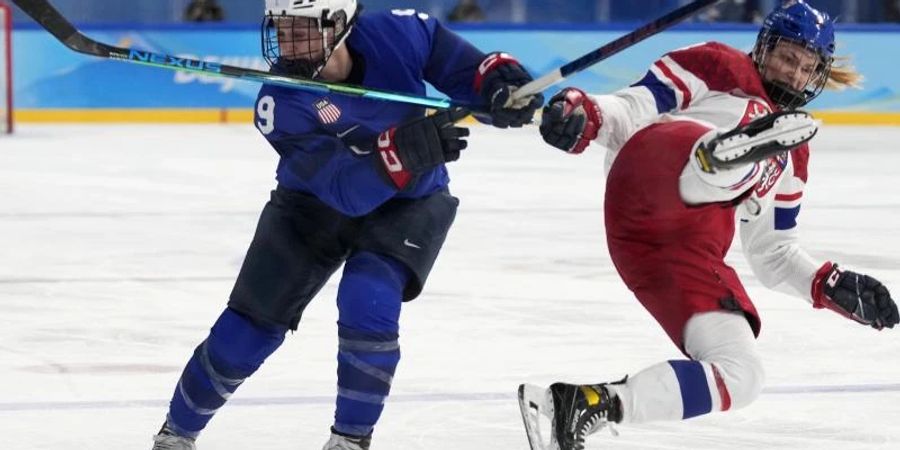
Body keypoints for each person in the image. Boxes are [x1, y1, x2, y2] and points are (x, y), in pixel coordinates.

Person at [151, 1, 543, 449]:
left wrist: (501, 87)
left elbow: (469, 73)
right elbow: (345, 192)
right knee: (246, 330)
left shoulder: (402, 33)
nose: (287, 42)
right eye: (281, 28)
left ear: (340, 25)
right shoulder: (279, 100)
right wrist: (406, 152)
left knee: (367, 298)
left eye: (302, 29)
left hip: (409, 203)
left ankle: (349, 442)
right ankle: (175, 436)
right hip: (313, 202)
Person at [519, 2, 898, 449]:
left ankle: (583, 404)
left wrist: (826, 283)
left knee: (742, 375)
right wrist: (587, 112)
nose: (795, 76)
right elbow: (633, 107)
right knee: (742, 141)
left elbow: (773, 252)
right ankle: (717, 157)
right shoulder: (718, 64)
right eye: (787, 59)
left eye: (807, 68)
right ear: (764, 48)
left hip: (667, 252)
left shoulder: (794, 154)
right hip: (650, 175)